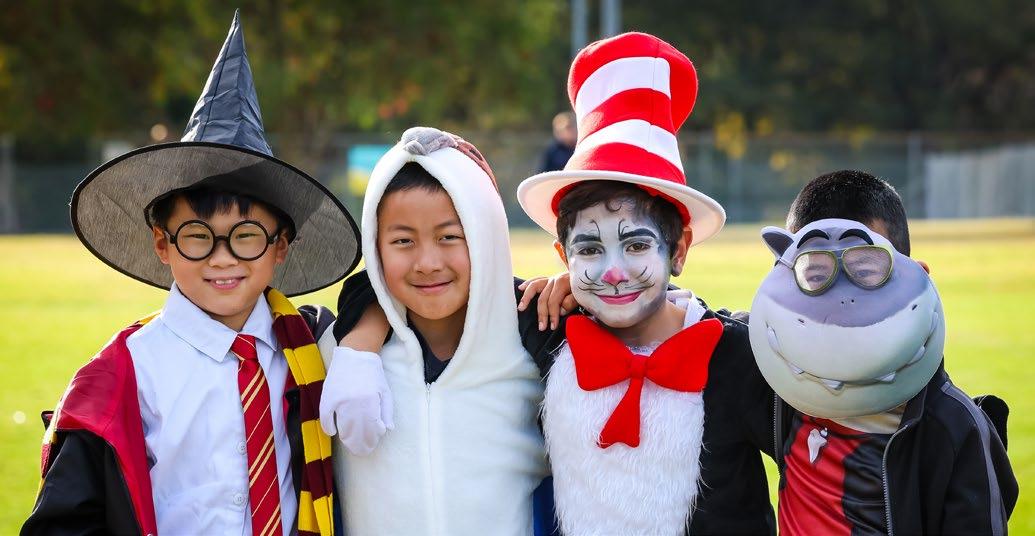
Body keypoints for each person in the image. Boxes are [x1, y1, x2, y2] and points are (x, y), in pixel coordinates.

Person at [22, 12, 358, 535]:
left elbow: (396, 303)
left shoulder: (314, 346)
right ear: (162, 244)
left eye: (246, 236)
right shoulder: (123, 375)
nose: (222, 258)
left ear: (280, 247)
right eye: (198, 236)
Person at [514, 32, 775, 535]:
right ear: (563, 256)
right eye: (590, 250)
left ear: (679, 250)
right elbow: (423, 287)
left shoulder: (737, 355)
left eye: (636, 245)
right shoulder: (546, 327)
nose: (613, 273)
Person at [752, 169, 1018, 535]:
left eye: (866, 272)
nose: (842, 302)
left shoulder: (955, 426)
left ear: (918, 275)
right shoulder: (781, 387)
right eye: (816, 277)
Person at [315, 127, 551, 535]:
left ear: (486, 237)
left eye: (449, 237)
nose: (427, 262)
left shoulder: (541, 344)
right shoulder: (333, 355)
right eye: (403, 241)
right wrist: (356, 345)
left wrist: (580, 290)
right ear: (375, 247)